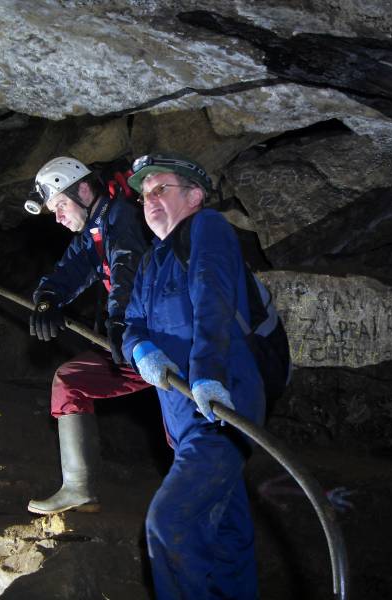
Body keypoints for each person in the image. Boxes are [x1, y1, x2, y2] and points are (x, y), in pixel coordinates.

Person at [122, 153, 265, 599]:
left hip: (221, 410)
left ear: (195, 195)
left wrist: (207, 374)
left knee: (171, 521)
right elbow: (131, 324)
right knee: (227, 534)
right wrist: (140, 349)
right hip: (183, 421)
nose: (149, 200)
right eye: (144, 195)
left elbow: (213, 297)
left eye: (160, 188)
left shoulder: (208, 229)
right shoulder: (151, 263)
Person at [25, 156, 151, 515]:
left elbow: (128, 266)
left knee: (188, 432)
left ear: (83, 189)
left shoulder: (123, 217)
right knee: (70, 380)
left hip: (166, 341)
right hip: (133, 342)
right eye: (54, 210)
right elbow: (69, 271)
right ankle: (78, 487)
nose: (59, 216)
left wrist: (119, 318)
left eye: (60, 205)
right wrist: (48, 299)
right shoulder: (95, 231)